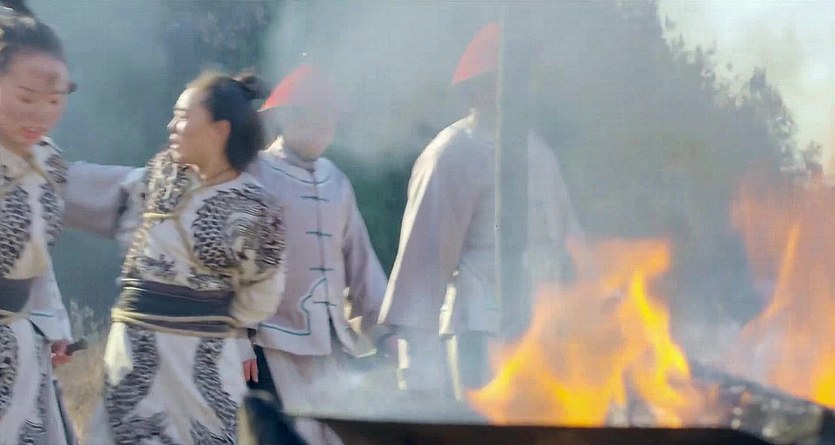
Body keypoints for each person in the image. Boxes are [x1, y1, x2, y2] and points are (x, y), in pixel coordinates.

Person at [378, 22, 582, 401]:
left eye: (523, 82)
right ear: (475, 90)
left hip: (543, 329)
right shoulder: (452, 153)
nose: (518, 92)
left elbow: (571, 242)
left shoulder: (539, 152)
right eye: (504, 82)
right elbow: (423, 265)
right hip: (480, 330)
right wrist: (417, 367)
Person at [83, 71, 288, 445]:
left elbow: (261, 295)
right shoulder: (161, 173)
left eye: (182, 116)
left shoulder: (257, 207)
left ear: (219, 130)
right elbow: (123, 219)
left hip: (203, 360)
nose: (171, 126)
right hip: (132, 353)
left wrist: (208, 316)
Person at [245, 64, 388, 445]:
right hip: (271, 342)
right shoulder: (255, 174)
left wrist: (383, 330)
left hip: (330, 344)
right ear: (284, 118)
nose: (323, 126)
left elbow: (361, 263)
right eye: (311, 115)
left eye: (329, 118)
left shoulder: (336, 180)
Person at [0, 0, 77, 443]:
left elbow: (36, 257)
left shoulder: (50, 162)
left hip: (20, 347)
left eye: (54, 100)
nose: (41, 114)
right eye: (26, 98)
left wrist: (54, 325)